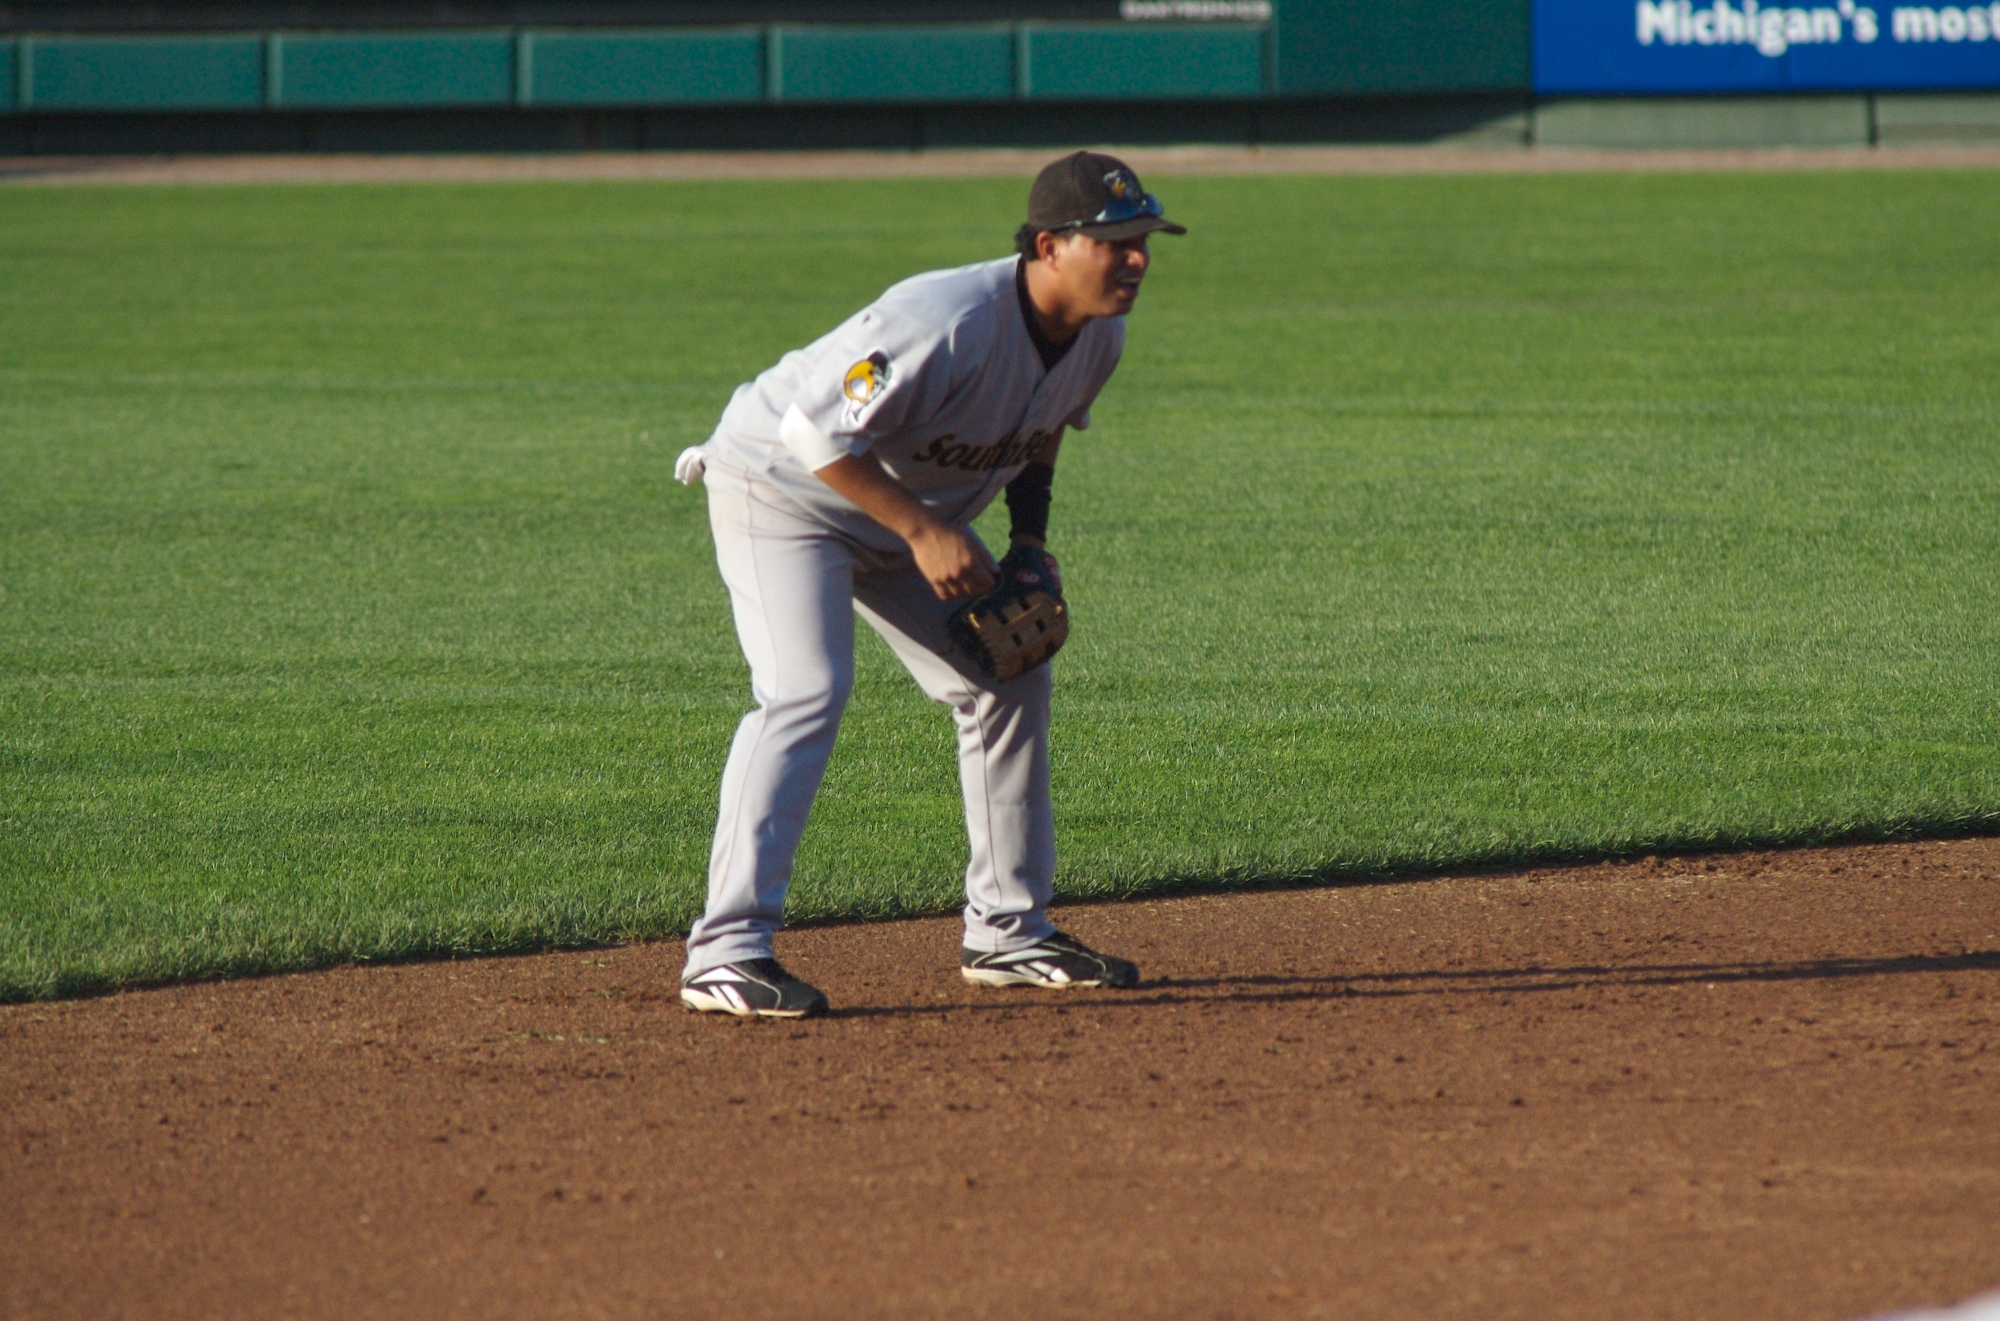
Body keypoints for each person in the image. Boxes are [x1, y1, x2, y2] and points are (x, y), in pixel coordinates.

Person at [672, 151, 1184, 1018]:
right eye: (1116, 242)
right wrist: (921, 528)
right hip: (780, 488)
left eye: (1143, 240)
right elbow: (809, 428)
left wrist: (1028, 542)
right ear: (1050, 246)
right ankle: (725, 951)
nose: (1136, 259)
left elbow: (1046, 429)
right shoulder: (943, 318)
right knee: (805, 690)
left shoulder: (1100, 335)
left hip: (904, 516)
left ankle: (1008, 930)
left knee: (1008, 675)